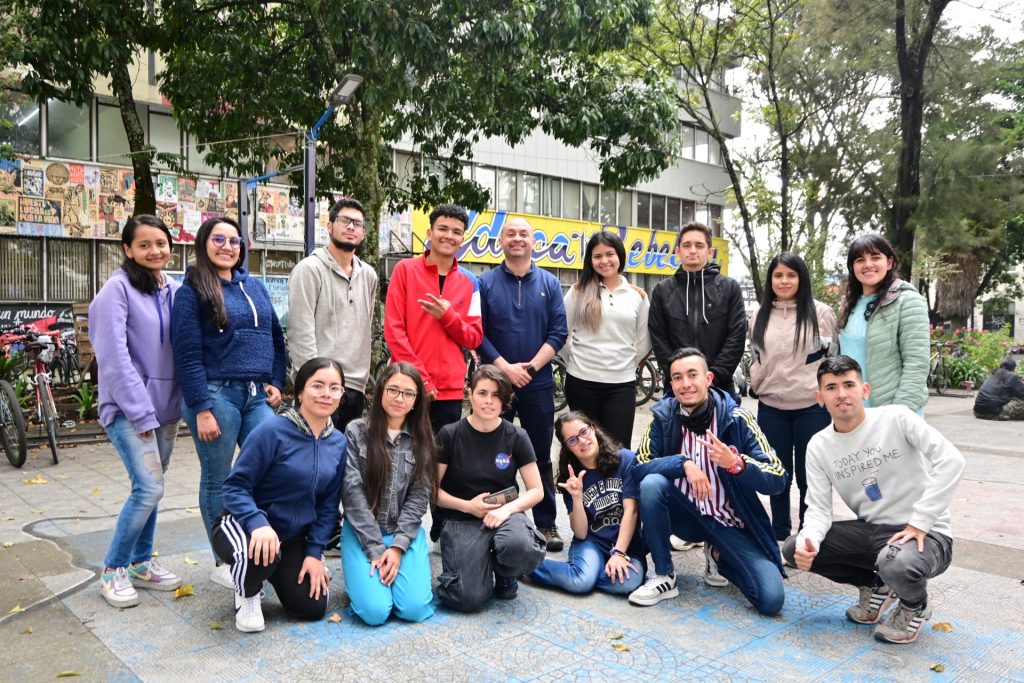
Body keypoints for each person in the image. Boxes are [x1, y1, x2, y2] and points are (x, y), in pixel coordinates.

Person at [784, 356, 965, 644]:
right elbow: (818, 508)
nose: (841, 394)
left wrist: (920, 522)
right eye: (831, 387)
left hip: (927, 534)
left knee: (897, 562)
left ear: (864, 390)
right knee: (795, 547)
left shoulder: (897, 417)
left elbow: (951, 460)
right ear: (820, 397)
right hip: (873, 530)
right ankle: (876, 587)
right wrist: (810, 543)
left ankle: (914, 606)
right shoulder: (819, 445)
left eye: (848, 385)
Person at [171, 216, 286, 590]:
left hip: (256, 395)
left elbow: (275, 338)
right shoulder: (192, 291)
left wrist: (276, 380)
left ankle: (262, 543)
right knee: (219, 478)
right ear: (204, 243)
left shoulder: (255, 286)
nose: (227, 246)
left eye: (234, 240)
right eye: (218, 239)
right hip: (215, 395)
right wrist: (201, 407)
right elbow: (186, 353)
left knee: (270, 469)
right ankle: (223, 558)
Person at [627, 347, 787, 616]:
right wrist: (683, 464)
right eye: (677, 377)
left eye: (692, 375)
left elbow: (778, 476)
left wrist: (738, 464)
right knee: (652, 483)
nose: (685, 384)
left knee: (770, 599)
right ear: (670, 384)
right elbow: (639, 468)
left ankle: (717, 554)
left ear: (708, 379)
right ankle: (665, 575)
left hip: (728, 522)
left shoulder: (736, 418)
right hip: (687, 516)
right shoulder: (663, 418)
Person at [213, 357, 347, 632]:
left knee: (312, 607)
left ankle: (261, 572)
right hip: (243, 525)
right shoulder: (272, 431)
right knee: (262, 555)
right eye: (318, 385)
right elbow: (235, 486)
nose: (326, 394)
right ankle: (247, 590)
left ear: (342, 394)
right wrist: (257, 523)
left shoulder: (338, 442)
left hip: (290, 538)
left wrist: (313, 552)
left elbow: (328, 504)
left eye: (335, 388)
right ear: (300, 392)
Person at [90, 215, 183, 607]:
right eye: (144, 244)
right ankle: (113, 570)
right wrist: (141, 412)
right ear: (127, 249)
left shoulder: (175, 290)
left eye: (160, 243)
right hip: (130, 411)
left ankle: (141, 564)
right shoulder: (116, 290)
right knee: (149, 487)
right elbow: (113, 357)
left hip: (167, 411)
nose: (154, 251)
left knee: (152, 490)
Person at [477, 216, 568, 551]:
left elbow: (559, 331)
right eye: (510, 234)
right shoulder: (483, 284)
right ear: (500, 241)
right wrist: (504, 371)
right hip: (495, 386)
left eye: (523, 234)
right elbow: (477, 334)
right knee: (493, 454)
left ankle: (546, 523)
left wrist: (528, 369)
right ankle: (492, 518)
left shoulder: (551, 283)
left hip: (538, 383)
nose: (517, 238)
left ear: (534, 242)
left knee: (540, 455)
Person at [435, 365, 547, 611]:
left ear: (505, 400)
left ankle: (505, 571)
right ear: (470, 393)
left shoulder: (517, 436)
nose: (489, 401)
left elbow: (536, 490)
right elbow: (432, 491)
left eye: (497, 395)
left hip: (504, 516)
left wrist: (506, 511)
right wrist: (467, 506)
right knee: (467, 599)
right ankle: (478, 569)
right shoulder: (449, 434)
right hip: (461, 518)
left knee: (521, 546)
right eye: (483, 393)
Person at [748, 252, 837, 540]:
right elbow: (755, 356)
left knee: (809, 474)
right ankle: (780, 531)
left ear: (801, 278)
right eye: (778, 275)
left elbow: (833, 358)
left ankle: (809, 532)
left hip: (812, 405)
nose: (784, 281)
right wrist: (757, 381)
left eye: (791, 275)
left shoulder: (820, 312)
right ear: (770, 279)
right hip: (771, 405)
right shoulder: (758, 315)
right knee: (777, 473)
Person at [341, 362, 435, 626]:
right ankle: (365, 585)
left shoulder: (423, 437)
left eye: (408, 393)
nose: (399, 398)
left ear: (417, 400)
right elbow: (352, 494)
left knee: (413, 609)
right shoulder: (356, 431)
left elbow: (419, 499)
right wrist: (374, 547)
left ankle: (392, 576)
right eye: (393, 389)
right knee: (374, 612)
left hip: (403, 533)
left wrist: (396, 547)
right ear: (380, 390)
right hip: (362, 532)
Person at [384, 203, 482, 432]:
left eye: (456, 232)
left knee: (441, 462)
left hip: (450, 390)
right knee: (401, 456)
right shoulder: (404, 270)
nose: (449, 236)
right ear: (429, 233)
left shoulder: (470, 282)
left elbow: (474, 338)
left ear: (463, 238)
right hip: (407, 384)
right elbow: (394, 330)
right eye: (442, 229)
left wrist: (449, 316)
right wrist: (421, 379)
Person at [528, 412, 646, 596]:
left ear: (594, 429)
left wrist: (619, 554)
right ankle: (523, 564)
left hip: (627, 545)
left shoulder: (625, 459)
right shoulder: (572, 477)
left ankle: (584, 572)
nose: (582, 441)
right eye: (573, 440)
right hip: (592, 543)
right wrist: (576, 496)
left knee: (628, 583)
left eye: (584, 432)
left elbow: (631, 511)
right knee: (581, 583)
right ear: (568, 448)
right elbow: (581, 532)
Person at [288, 197, 378, 431]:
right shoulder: (309, 270)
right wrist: (314, 383)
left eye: (357, 224)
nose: (351, 227)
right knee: (313, 461)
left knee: (346, 463)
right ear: (329, 226)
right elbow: (300, 332)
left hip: (355, 387)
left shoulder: (368, 275)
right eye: (344, 220)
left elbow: (364, 327)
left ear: (363, 233)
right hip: (320, 389)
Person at [562, 231, 651, 449]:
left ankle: (617, 485)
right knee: (582, 447)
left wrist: (627, 365)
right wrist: (573, 359)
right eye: (597, 256)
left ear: (620, 255)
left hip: (621, 385)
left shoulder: (637, 295)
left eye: (609, 254)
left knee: (617, 449)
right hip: (581, 381)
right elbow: (562, 332)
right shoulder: (578, 291)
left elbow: (644, 341)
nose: (604, 261)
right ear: (590, 261)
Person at [648, 222, 746, 397]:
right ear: (678, 251)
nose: (692, 250)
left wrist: (711, 378)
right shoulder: (662, 291)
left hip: (720, 386)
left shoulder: (729, 288)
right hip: (678, 388)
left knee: (724, 426)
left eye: (699, 245)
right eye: (686, 245)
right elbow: (658, 338)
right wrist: (679, 376)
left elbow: (736, 337)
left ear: (710, 251)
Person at [837, 233, 929, 413]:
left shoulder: (907, 301)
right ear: (852, 267)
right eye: (860, 259)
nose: (868, 264)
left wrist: (901, 413)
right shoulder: (849, 303)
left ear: (889, 262)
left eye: (875, 257)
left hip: (891, 411)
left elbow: (917, 363)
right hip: (852, 411)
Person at [973, 356, 1024, 421]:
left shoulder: (993, 374)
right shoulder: (1013, 377)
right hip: (994, 414)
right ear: (1013, 368)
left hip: (978, 412)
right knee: (1020, 402)